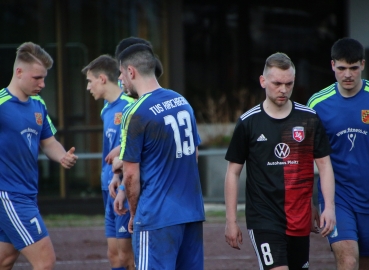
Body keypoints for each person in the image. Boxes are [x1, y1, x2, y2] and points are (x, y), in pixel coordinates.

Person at [224, 52, 336, 270]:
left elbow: (324, 165)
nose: (283, 89)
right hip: (263, 217)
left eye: (289, 84)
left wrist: (327, 207)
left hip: (300, 217)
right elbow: (232, 172)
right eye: (277, 83)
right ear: (263, 81)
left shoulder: (308, 119)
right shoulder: (248, 122)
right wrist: (231, 220)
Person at [112, 43, 205, 269]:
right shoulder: (182, 101)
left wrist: (135, 215)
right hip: (191, 212)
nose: (120, 79)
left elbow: (131, 174)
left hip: (156, 216)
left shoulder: (134, 112)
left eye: (121, 73)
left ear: (131, 72)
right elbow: (194, 155)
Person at [0, 42, 78, 270]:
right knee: (45, 261)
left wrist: (63, 156)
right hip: (9, 195)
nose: (42, 84)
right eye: (37, 78)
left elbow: (49, 142)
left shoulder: (38, 104)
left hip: (26, 194)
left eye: (44, 78)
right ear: (19, 72)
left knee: (4, 261)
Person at [307, 37, 369, 270]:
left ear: (362, 64)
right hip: (339, 198)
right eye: (342, 68)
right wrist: (311, 201)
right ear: (332, 65)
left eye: (353, 68)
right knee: (348, 260)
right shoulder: (317, 104)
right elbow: (306, 158)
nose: (348, 74)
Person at [81, 54, 135, 270]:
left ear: (102, 78)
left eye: (89, 81)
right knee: (113, 255)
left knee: (126, 257)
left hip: (125, 187)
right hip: (108, 187)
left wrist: (121, 179)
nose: (88, 87)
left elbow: (138, 146)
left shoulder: (131, 105)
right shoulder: (106, 108)